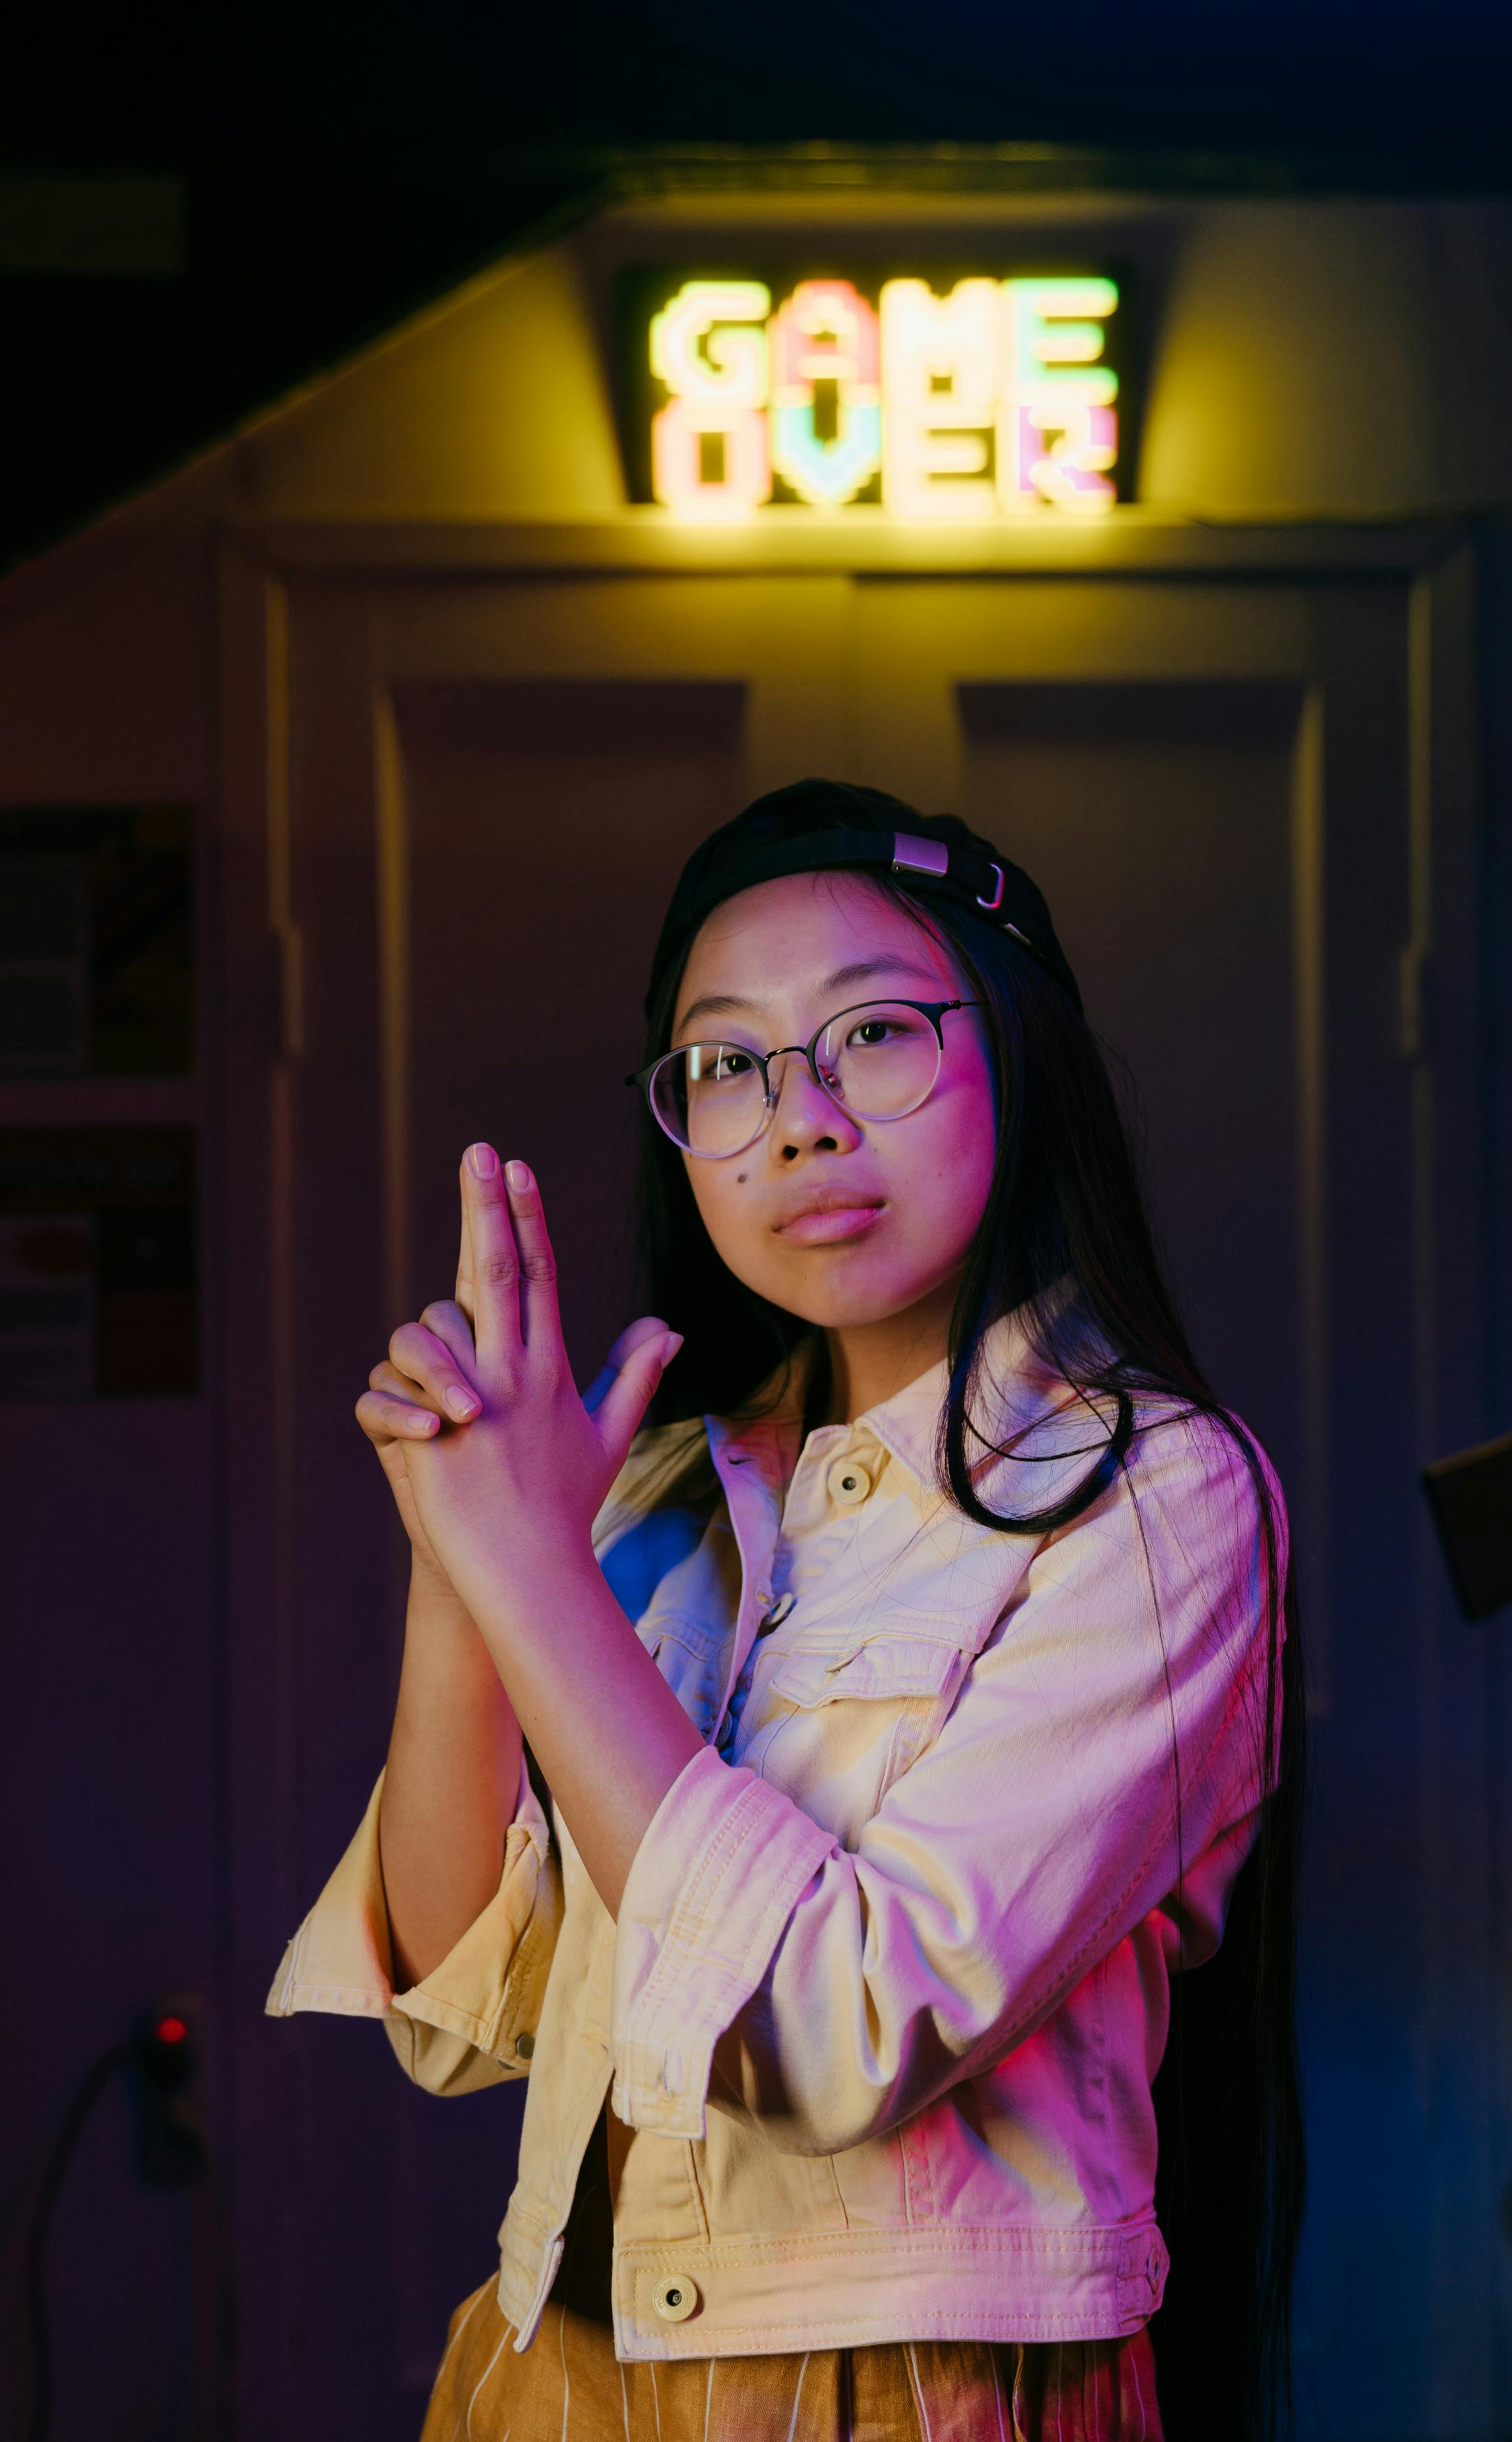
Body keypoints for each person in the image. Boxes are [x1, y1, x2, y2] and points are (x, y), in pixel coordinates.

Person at [267, 779, 1305, 2441]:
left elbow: (832, 2034)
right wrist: (464, 1561)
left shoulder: (1159, 1498)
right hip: (543, 2375)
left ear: (1019, 1056)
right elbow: (464, 2019)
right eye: (727, 1065)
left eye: (874, 1036)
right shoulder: (667, 1482)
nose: (799, 1121)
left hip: (899, 2402)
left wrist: (532, 1565)